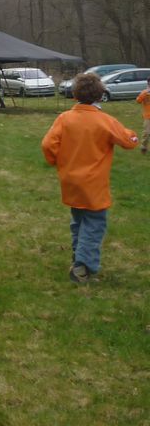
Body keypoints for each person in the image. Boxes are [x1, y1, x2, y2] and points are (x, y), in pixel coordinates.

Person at [41, 73, 139, 283]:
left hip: (70, 181)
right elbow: (129, 141)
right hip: (94, 185)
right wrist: (133, 135)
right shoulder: (105, 121)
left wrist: (56, 162)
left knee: (78, 221)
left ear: (75, 95)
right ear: (100, 94)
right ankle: (82, 267)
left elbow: (48, 144)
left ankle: (78, 257)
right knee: (94, 225)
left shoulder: (64, 118)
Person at [138, 77, 150, 155]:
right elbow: (138, 100)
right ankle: (143, 147)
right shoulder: (144, 92)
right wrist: (145, 93)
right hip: (147, 116)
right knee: (147, 133)